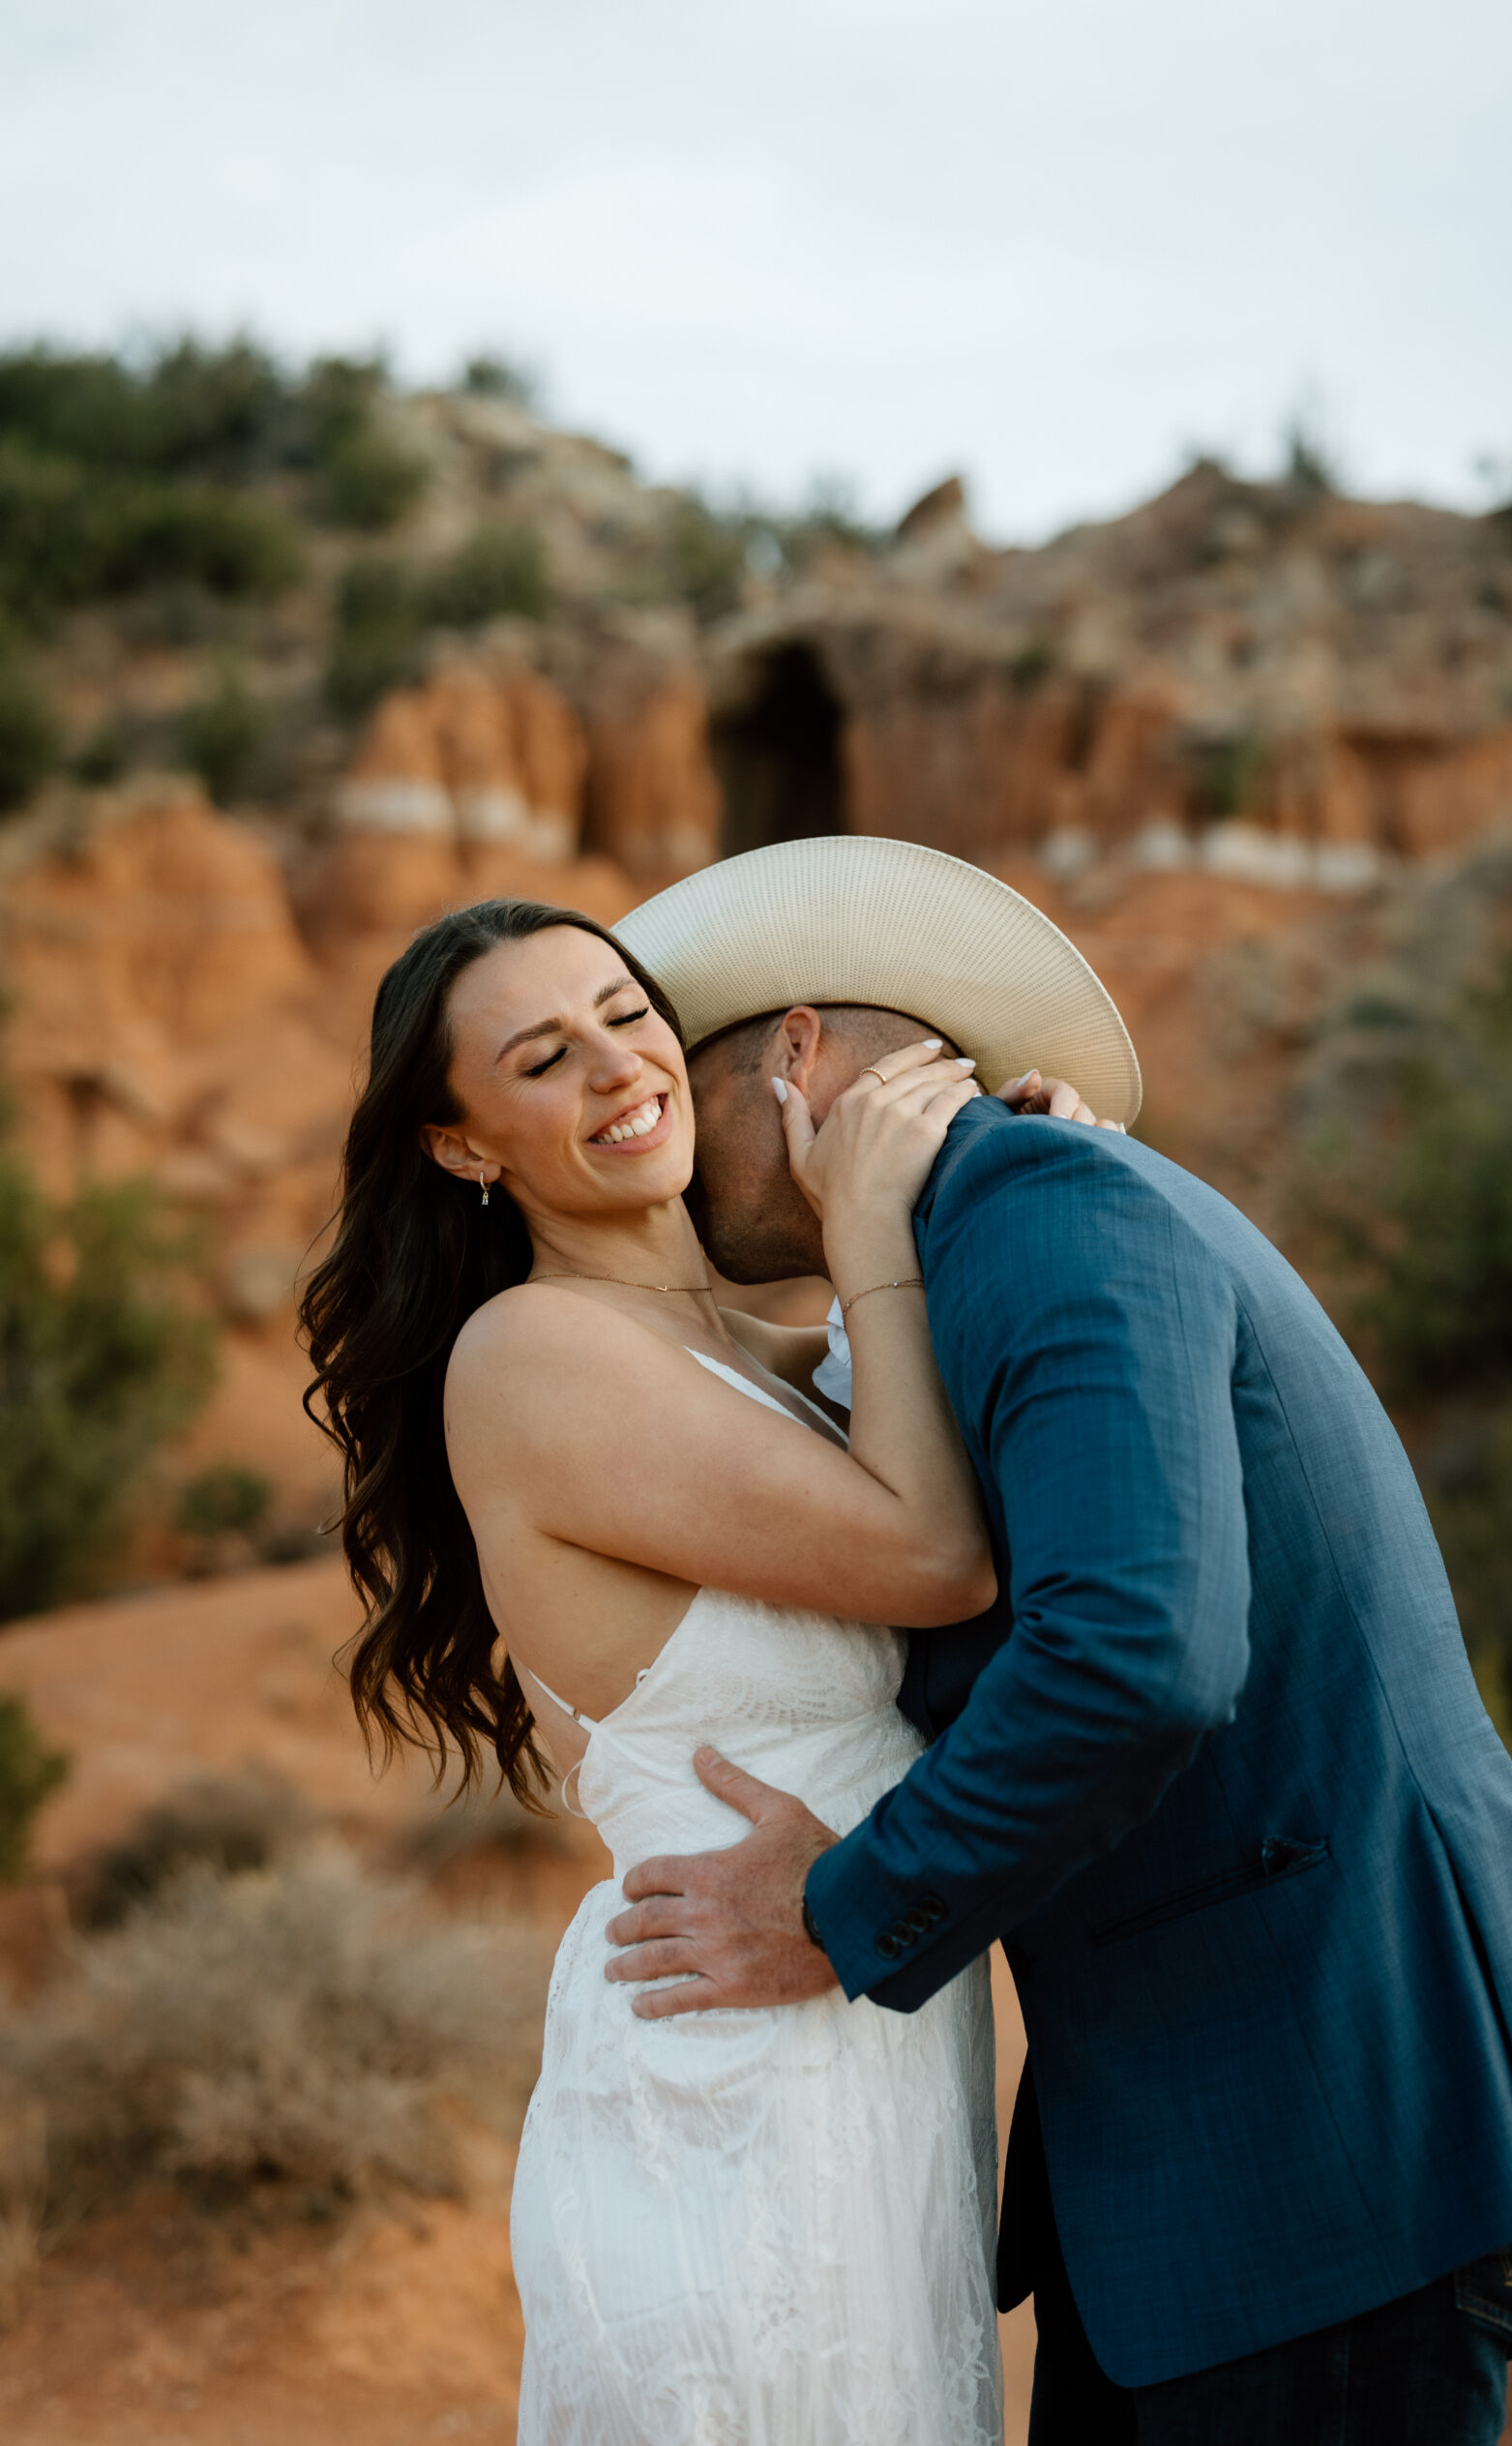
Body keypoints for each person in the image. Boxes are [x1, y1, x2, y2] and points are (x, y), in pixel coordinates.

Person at [603, 834, 1512, 2446]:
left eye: (686, 1086)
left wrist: (840, 1908)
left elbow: (1135, 1653)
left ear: (797, 1051)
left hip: (1326, 2125)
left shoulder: (1044, 1214)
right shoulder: (975, 1245)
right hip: (1208, 2149)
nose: (664, 1153)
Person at [301, 894, 1095, 2446]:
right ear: (466, 1147)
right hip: (729, 2077)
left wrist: (1010, 1177)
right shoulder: (533, 1357)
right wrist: (869, 1231)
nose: (617, 1068)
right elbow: (939, 1558)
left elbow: (936, 1404)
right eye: (543, 1058)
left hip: (859, 2053)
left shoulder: (750, 1352)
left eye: (623, 1010)